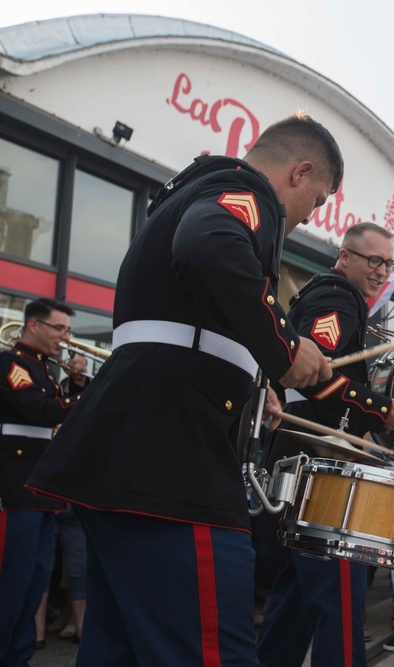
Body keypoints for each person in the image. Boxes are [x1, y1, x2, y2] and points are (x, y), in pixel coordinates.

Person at [26, 113, 341, 666]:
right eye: (315, 202)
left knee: (118, 650)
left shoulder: (189, 195)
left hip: (129, 458)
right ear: (300, 171)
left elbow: (192, 322)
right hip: (174, 464)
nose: (304, 218)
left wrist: (255, 380)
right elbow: (209, 244)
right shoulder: (248, 194)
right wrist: (286, 349)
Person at [256, 222, 394, 667]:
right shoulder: (335, 296)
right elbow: (309, 369)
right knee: (339, 599)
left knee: (297, 597)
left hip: (300, 459)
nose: (382, 271)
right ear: (345, 256)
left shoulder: (326, 295)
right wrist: (381, 408)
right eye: (374, 260)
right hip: (320, 466)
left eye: (389, 263)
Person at [0, 298, 87, 666]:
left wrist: (80, 386)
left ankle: (17, 657)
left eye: (67, 330)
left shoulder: (46, 370)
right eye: (59, 329)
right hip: (16, 489)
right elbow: (38, 411)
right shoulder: (12, 364)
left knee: (35, 584)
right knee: (11, 584)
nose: (66, 338)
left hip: (41, 491)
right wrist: (90, 396)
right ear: (33, 325)